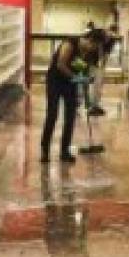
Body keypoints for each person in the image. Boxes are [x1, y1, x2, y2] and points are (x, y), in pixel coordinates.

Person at [42, 30, 100, 164]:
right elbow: (60, 65)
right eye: (94, 46)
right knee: (52, 114)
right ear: (89, 39)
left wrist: (85, 90)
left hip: (70, 83)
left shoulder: (88, 53)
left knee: (70, 116)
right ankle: (45, 150)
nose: (94, 49)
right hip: (55, 81)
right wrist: (78, 78)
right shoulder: (70, 43)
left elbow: (82, 71)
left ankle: (64, 151)